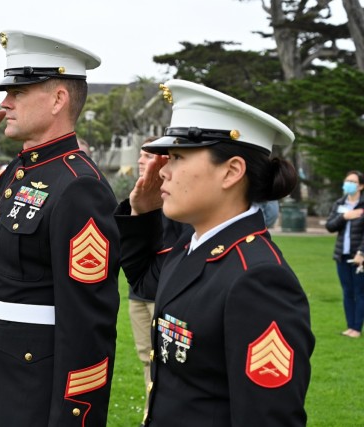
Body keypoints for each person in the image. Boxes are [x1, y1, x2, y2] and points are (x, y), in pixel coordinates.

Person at [0, 30, 120, 426]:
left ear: (58, 99)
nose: (5, 103)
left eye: (19, 92)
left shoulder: (78, 185)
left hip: (35, 385)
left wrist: (74, 417)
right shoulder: (25, 169)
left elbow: (88, 324)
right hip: (2, 368)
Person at [115, 79, 315, 426]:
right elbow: (148, 282)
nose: (162, 170)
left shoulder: (259, 279)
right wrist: (142, 215)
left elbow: (267, 417)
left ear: (231, 171)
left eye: (177, 157)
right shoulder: (190, 247)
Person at [127, 136, 190, 426]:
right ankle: (150, 412)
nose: (142, 161)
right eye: (141, 156)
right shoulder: (138, 194)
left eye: (147, 156)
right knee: (145, 357)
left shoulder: (177, 197)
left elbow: (181, 244)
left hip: (164, 291)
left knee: (166, 360)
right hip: (137, 291)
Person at [325, 170, 364, 338]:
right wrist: (345, 216)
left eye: (353, 181)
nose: (348, 183)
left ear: (361, 186)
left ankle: (356, 328)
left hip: (359, 256)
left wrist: (362, 253)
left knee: (360, 292)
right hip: (342, 255)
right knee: (347, 291)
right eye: (347, 180)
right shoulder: (339, 203)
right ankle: (350, 327)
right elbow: (330, 226)